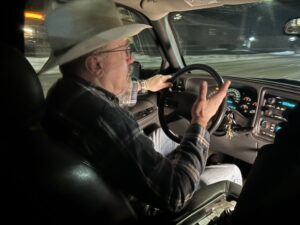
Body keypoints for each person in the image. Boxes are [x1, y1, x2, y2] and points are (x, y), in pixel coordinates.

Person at [40, 0, 241, 216]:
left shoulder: (63, 94)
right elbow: (176, 193)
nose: (131, 58)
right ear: (95, 64)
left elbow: (109, 99)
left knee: (166, 135)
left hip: (106, 189)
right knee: (232, 172)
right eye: (125, 49)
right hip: (144, 207)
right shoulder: (103, 116)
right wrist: (200, 121)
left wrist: (145, 85)